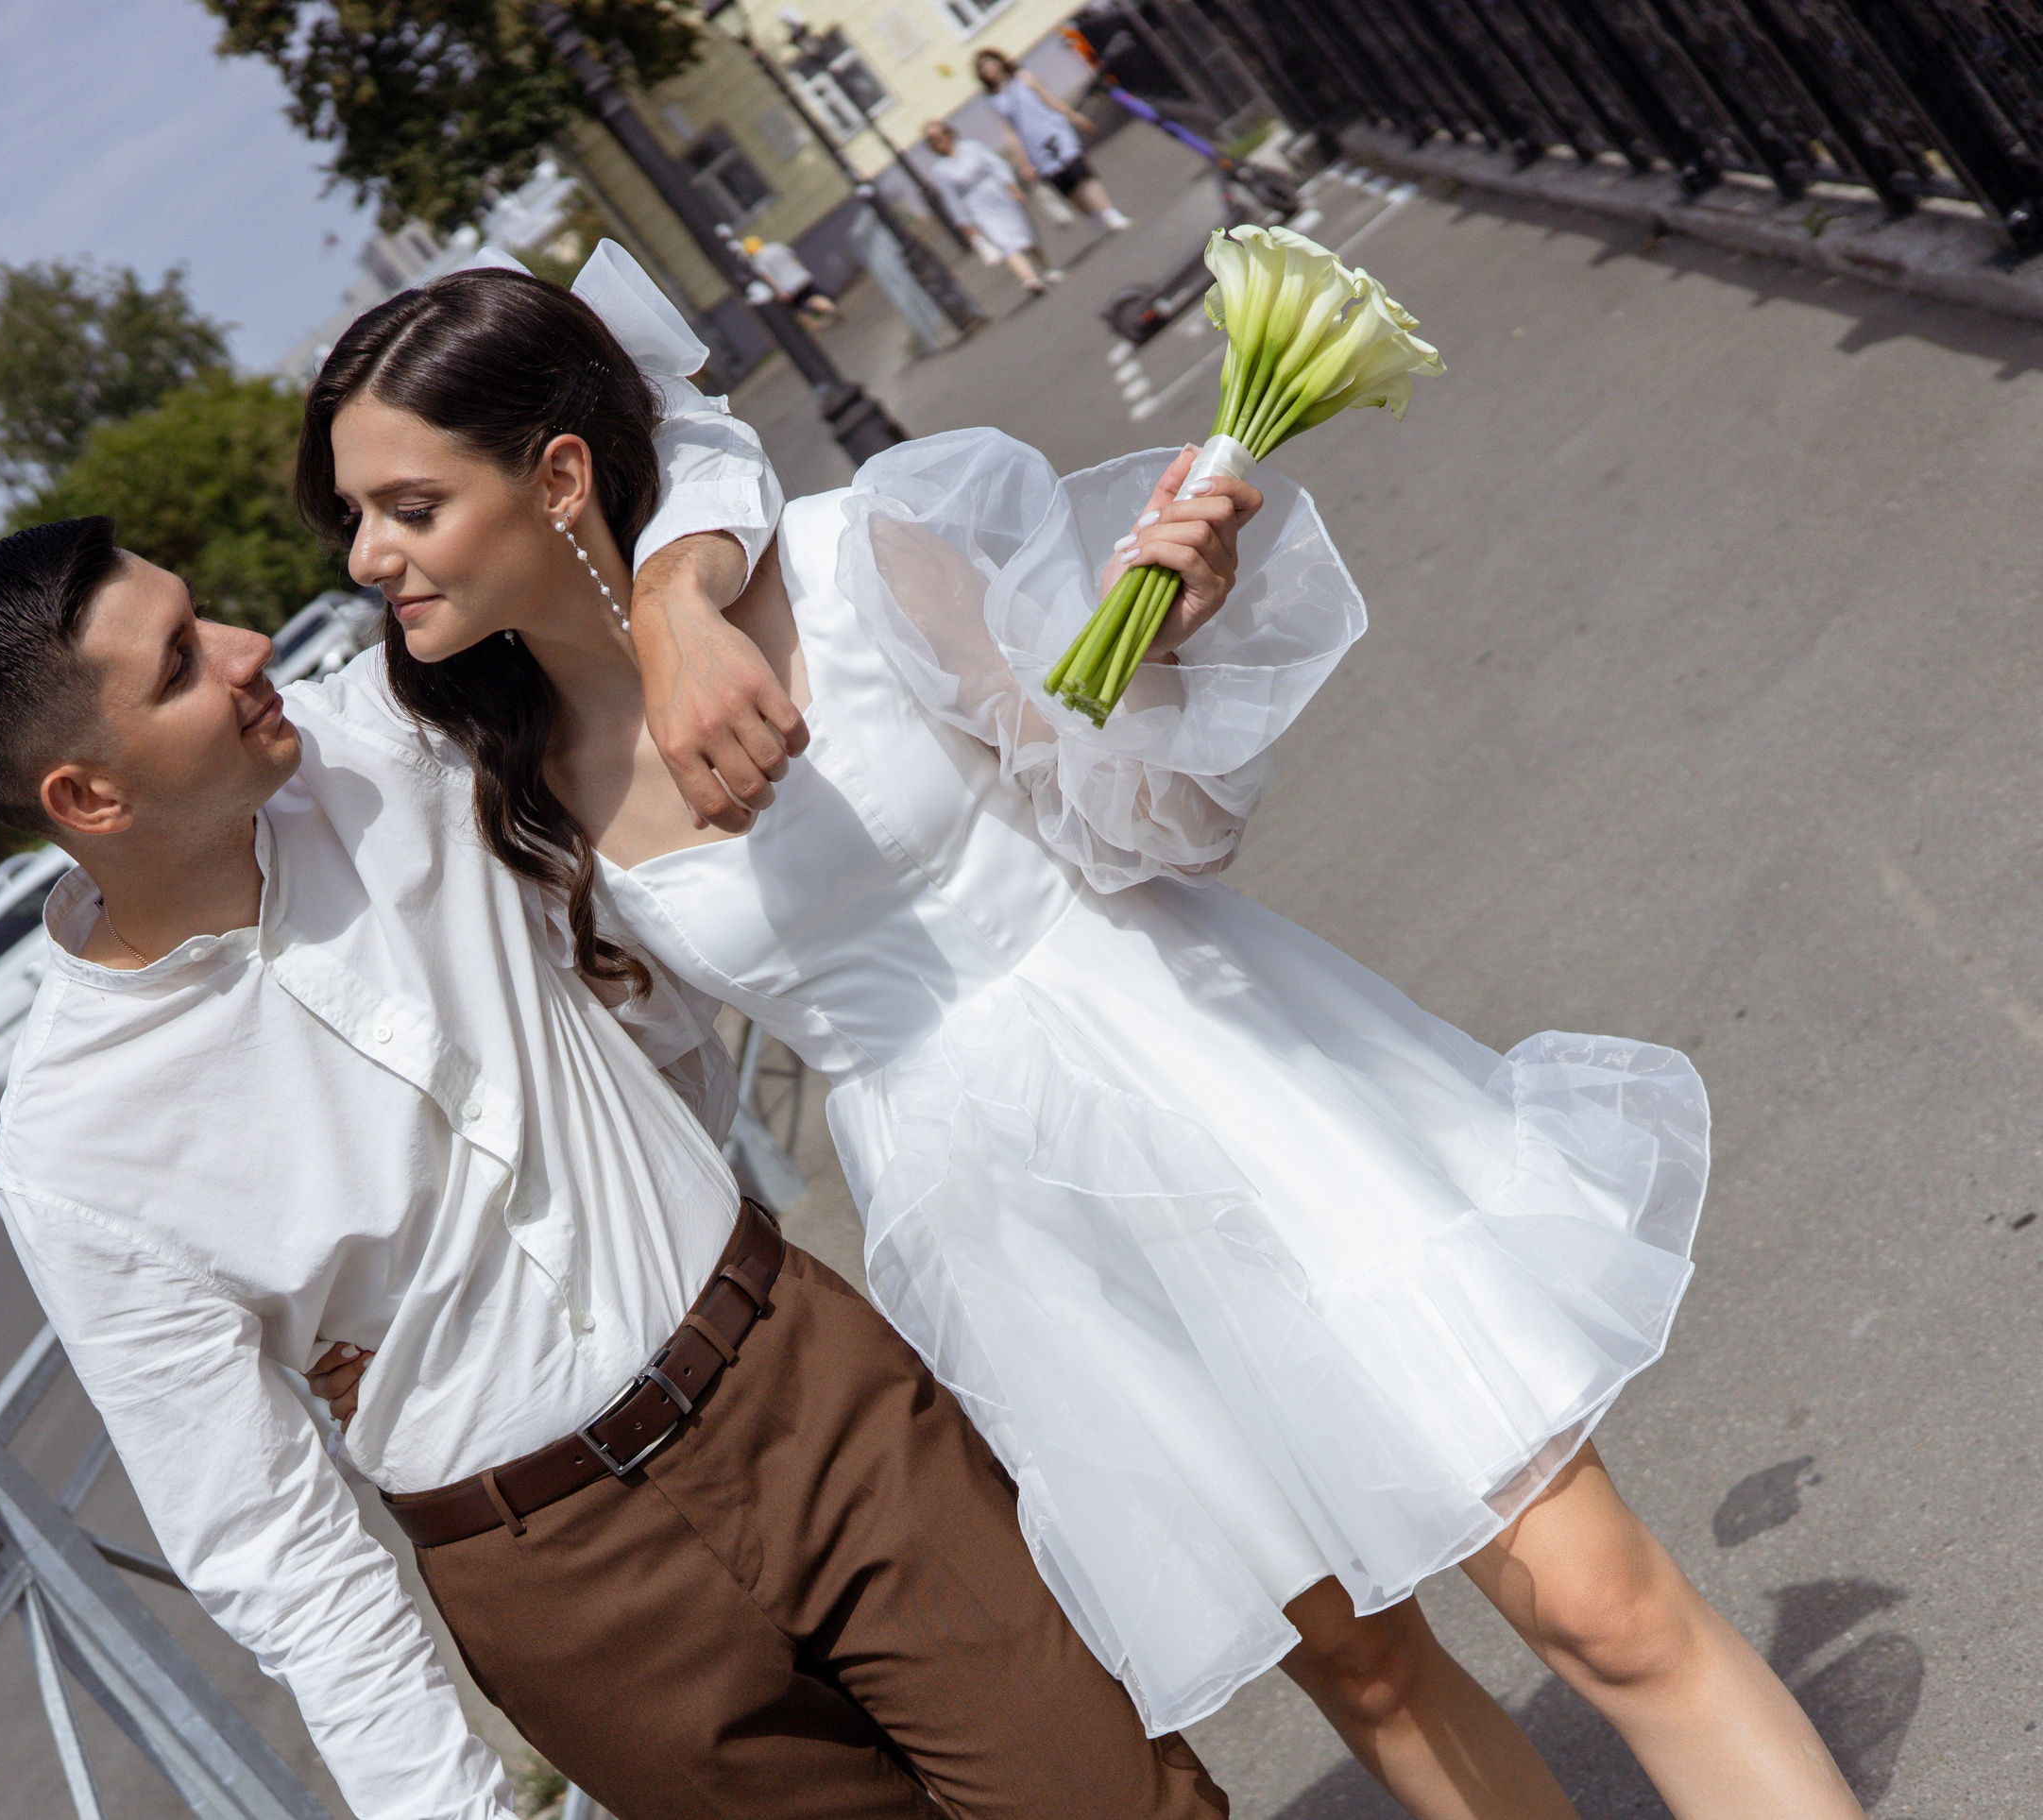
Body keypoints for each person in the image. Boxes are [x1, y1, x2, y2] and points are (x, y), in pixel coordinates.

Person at [311, 263, 1873, 1820]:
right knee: (1369, 1670)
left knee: (1594, 1598)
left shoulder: (855, 560)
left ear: (559, 478)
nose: (370, 556)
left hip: (1193, 1064)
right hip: (1002, 1238)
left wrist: (1154, 656)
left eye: (408, 507)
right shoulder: (515, 793)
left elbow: (1160, 833)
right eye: (357, 518)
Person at [0, 244, 1229, 1820]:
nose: (250, 648)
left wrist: (672, 602)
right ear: (87, 796)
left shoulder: (398, 725)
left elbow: (657, 424)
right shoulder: (78, 1156)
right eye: (182, 665)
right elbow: (262, 1531)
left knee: (1126, 1801)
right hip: (569, 1594)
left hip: (803, 1389)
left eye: (204, 614)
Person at [974, 47, 1132, 232]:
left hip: (1055, 131)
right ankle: (1093, 216)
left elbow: (1050, 101)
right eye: (982, 68)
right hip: (1035, 147)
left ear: (999, 61)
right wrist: (1023, 162)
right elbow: (1010, 133)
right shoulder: (994, 99)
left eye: (989, 63)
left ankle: (1110, 213)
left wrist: (1075, 117)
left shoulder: (1023, 77)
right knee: (1067, 186)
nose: (988, 69)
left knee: (1080, 173)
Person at [923, 120, 1062, 300]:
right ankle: (1030, 279)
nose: (937, 142)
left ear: (948, 134)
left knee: (1024, 233)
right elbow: (951, 200)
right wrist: (964, 225)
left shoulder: (972, 148)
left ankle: (1046, 268)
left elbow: (997, 165)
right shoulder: (940, 170)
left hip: (998, 193)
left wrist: (1011, 185)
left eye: (938, 136)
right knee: (1004, 241)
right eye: (932, 140)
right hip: (977, 207)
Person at [741, 233, 841, 328]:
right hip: (801, 277)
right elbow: (794, 258)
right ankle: (831, 308)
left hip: (788, 287)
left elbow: (767, 277)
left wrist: (779, 291)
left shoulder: (758, 261)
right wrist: (803, 270)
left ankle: (816, 326)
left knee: (799, 308)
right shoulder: (776, 246)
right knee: (813, 296)